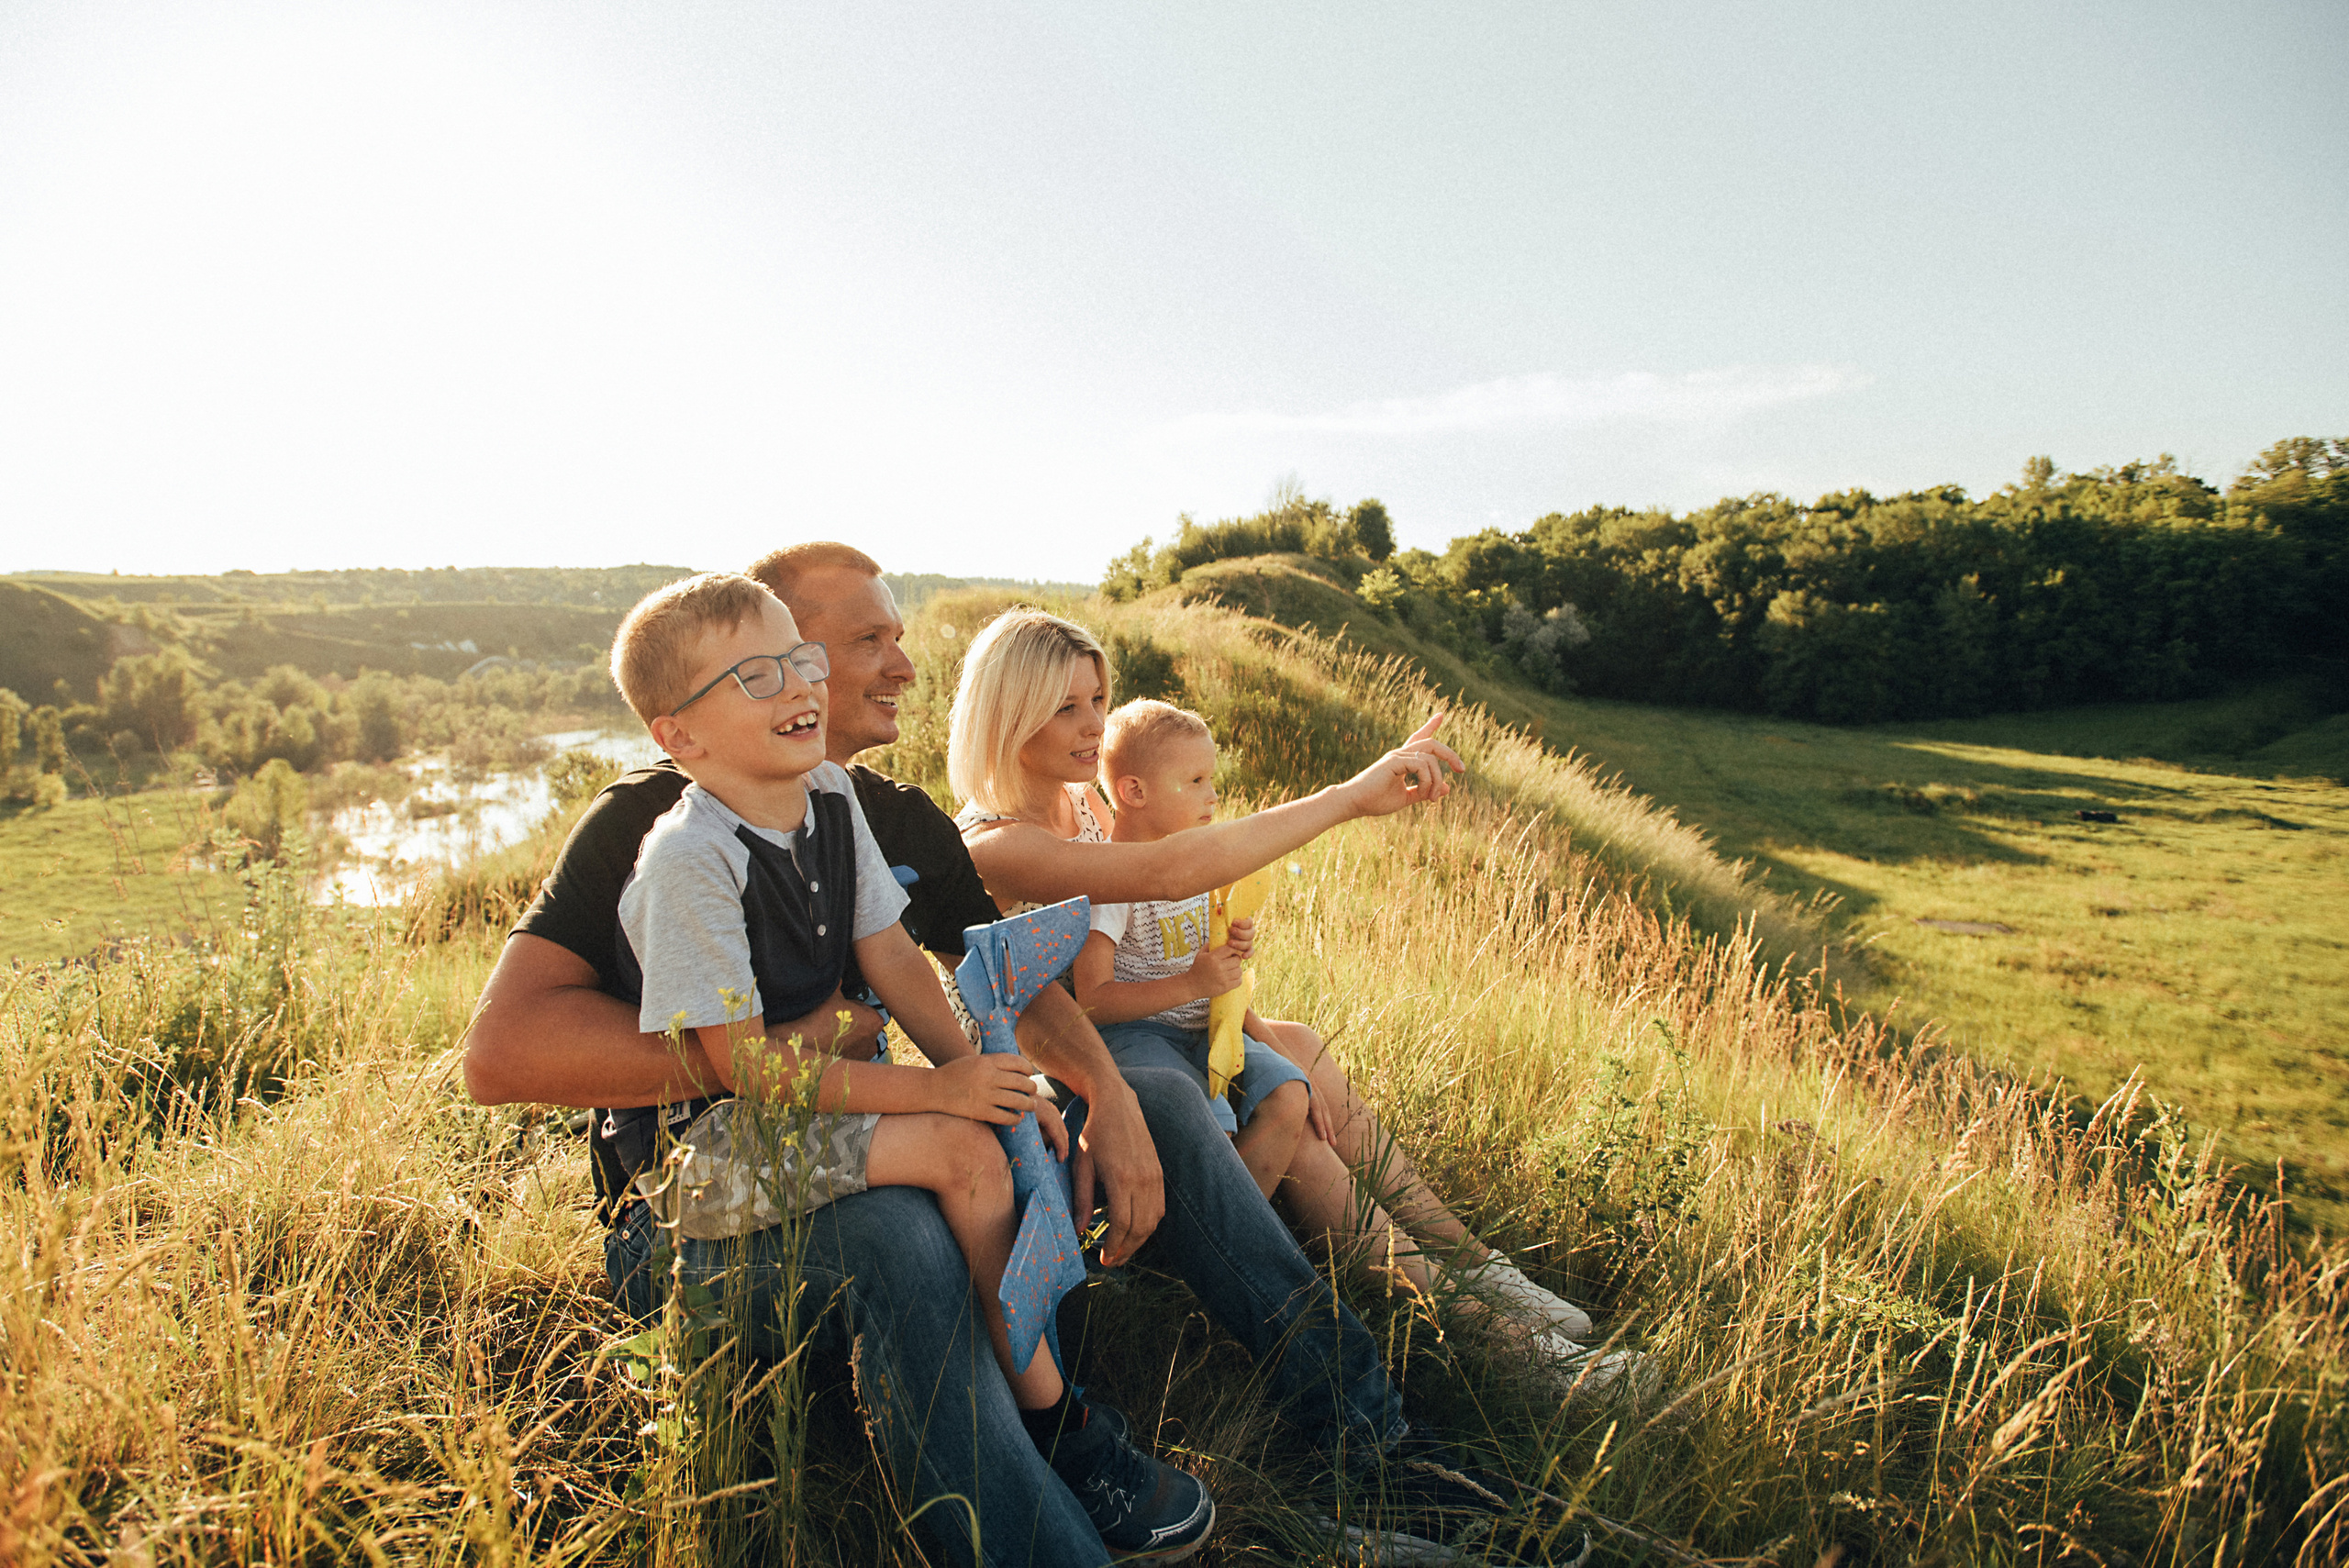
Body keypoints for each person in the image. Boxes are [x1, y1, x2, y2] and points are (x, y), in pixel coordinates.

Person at [464, 544, 1522, 1566]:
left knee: (1142, 1090)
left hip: (843, 1123)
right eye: (862, 638)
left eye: (862, 643)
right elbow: (502, 1057)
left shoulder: (873, 816)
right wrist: (819, 1043)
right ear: (696, 713)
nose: (901, 665)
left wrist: (1097, 1089)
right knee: (902, 1228)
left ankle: (1371, 1445)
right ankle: (1054, 1501)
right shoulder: (656, 825)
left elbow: (986, 974)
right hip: (689, 1212)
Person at [599, 572, 1213, 1560]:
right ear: (681, 737)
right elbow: (742, 1066)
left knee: (994, 1140)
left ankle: (1040, 1387)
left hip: (801, 1113)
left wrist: (986, 1078)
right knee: (952, 1147)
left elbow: (893, 955)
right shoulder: (689, 858)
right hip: (704, 1154)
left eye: (798, 659)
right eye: (753, 675)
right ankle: (1056, 1421)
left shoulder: (833, 797)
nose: (797, 686)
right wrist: (935, 1092)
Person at [949, 609, 1610, 1362]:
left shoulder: (1080, 800)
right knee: (1298, 1130)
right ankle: (1496, 1338)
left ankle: (1475, 1264)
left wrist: (1256, 1027)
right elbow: (1168, 872)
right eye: (1065, 707)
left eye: (1098, 699)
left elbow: (1160, 920)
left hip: (1132, 1041)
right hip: (1060, 1090)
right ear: (1008, 714)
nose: (1093, 724)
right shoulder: (997, 845)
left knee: (1299, 1055)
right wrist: (1350, 797)